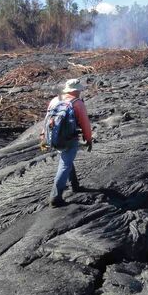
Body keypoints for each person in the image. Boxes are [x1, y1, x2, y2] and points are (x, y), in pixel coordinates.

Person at [40, 78, 93, 207]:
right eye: (79, 90)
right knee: (64, 165)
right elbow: (85, 123)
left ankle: (75, 185)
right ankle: (55, 197)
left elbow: (47, 120)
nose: (80, 92)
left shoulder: (55, 100)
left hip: (54, 137)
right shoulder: (77, 103)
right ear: (75, 91)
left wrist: (43, 136)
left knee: (67, 160)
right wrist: (89, 139)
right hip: (69, 139)